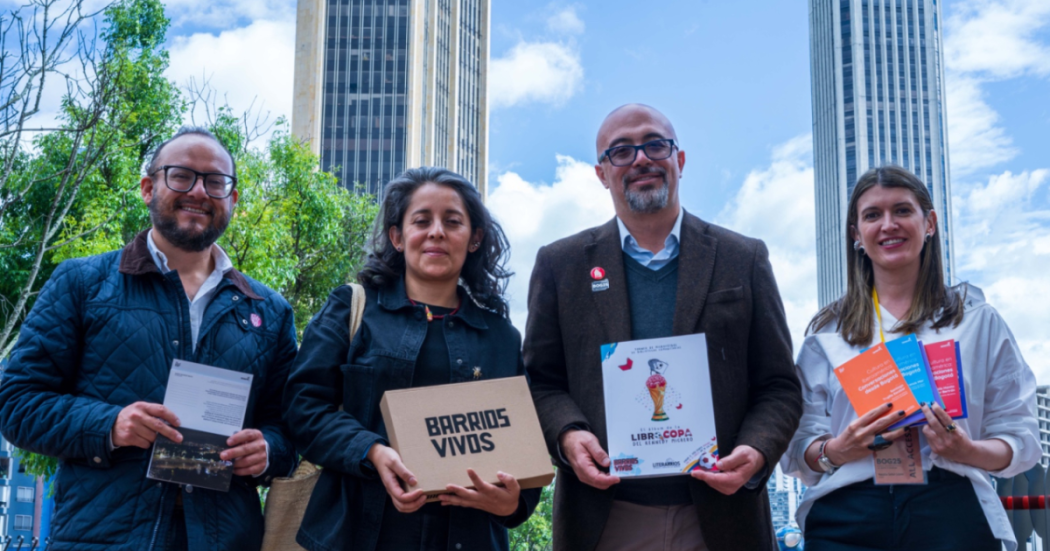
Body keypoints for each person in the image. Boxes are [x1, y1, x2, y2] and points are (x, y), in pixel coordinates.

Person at [0, 127, 299, 550]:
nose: (198, 191)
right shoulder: (82, 283)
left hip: (225, 538)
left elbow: (290, 429)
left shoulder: (269, 310)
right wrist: (111, 425)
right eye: (181, 176)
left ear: (232, 200)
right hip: (102, 537)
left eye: (215, 182)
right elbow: (16, 404)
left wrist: (269, 450)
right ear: (148, 188)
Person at [524, 103, 802, 551]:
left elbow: (779, 385)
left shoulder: (742, 257)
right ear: (601, 173)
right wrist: (568, 433)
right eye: (621, 151)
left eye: (655, 145)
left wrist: (757, 449)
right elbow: (540, 380)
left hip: (720, 518)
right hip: (606, 519)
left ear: (680, 160)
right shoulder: (561, 265)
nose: (640, 159)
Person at [781, 165, 1040, 551]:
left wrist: (967, 451)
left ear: (930, 223)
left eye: (902, 210)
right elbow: (797, 446)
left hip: (951, 509)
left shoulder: (978, 322)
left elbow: (1021, 439)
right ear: (856, 235)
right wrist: (837, 449)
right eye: (872, 215)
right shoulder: (827, 335)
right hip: (848, 515)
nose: (888, 225)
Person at [283, 167, 540, 551]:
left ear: (474, 239)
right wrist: (371, 450)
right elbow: (301, 406)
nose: (437, 231)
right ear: (398, 237)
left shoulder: (502, 337)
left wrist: (513, 503)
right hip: (355, 536)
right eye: (422, 220)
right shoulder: (351, 309)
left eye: (453, 222)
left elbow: (523, 447)